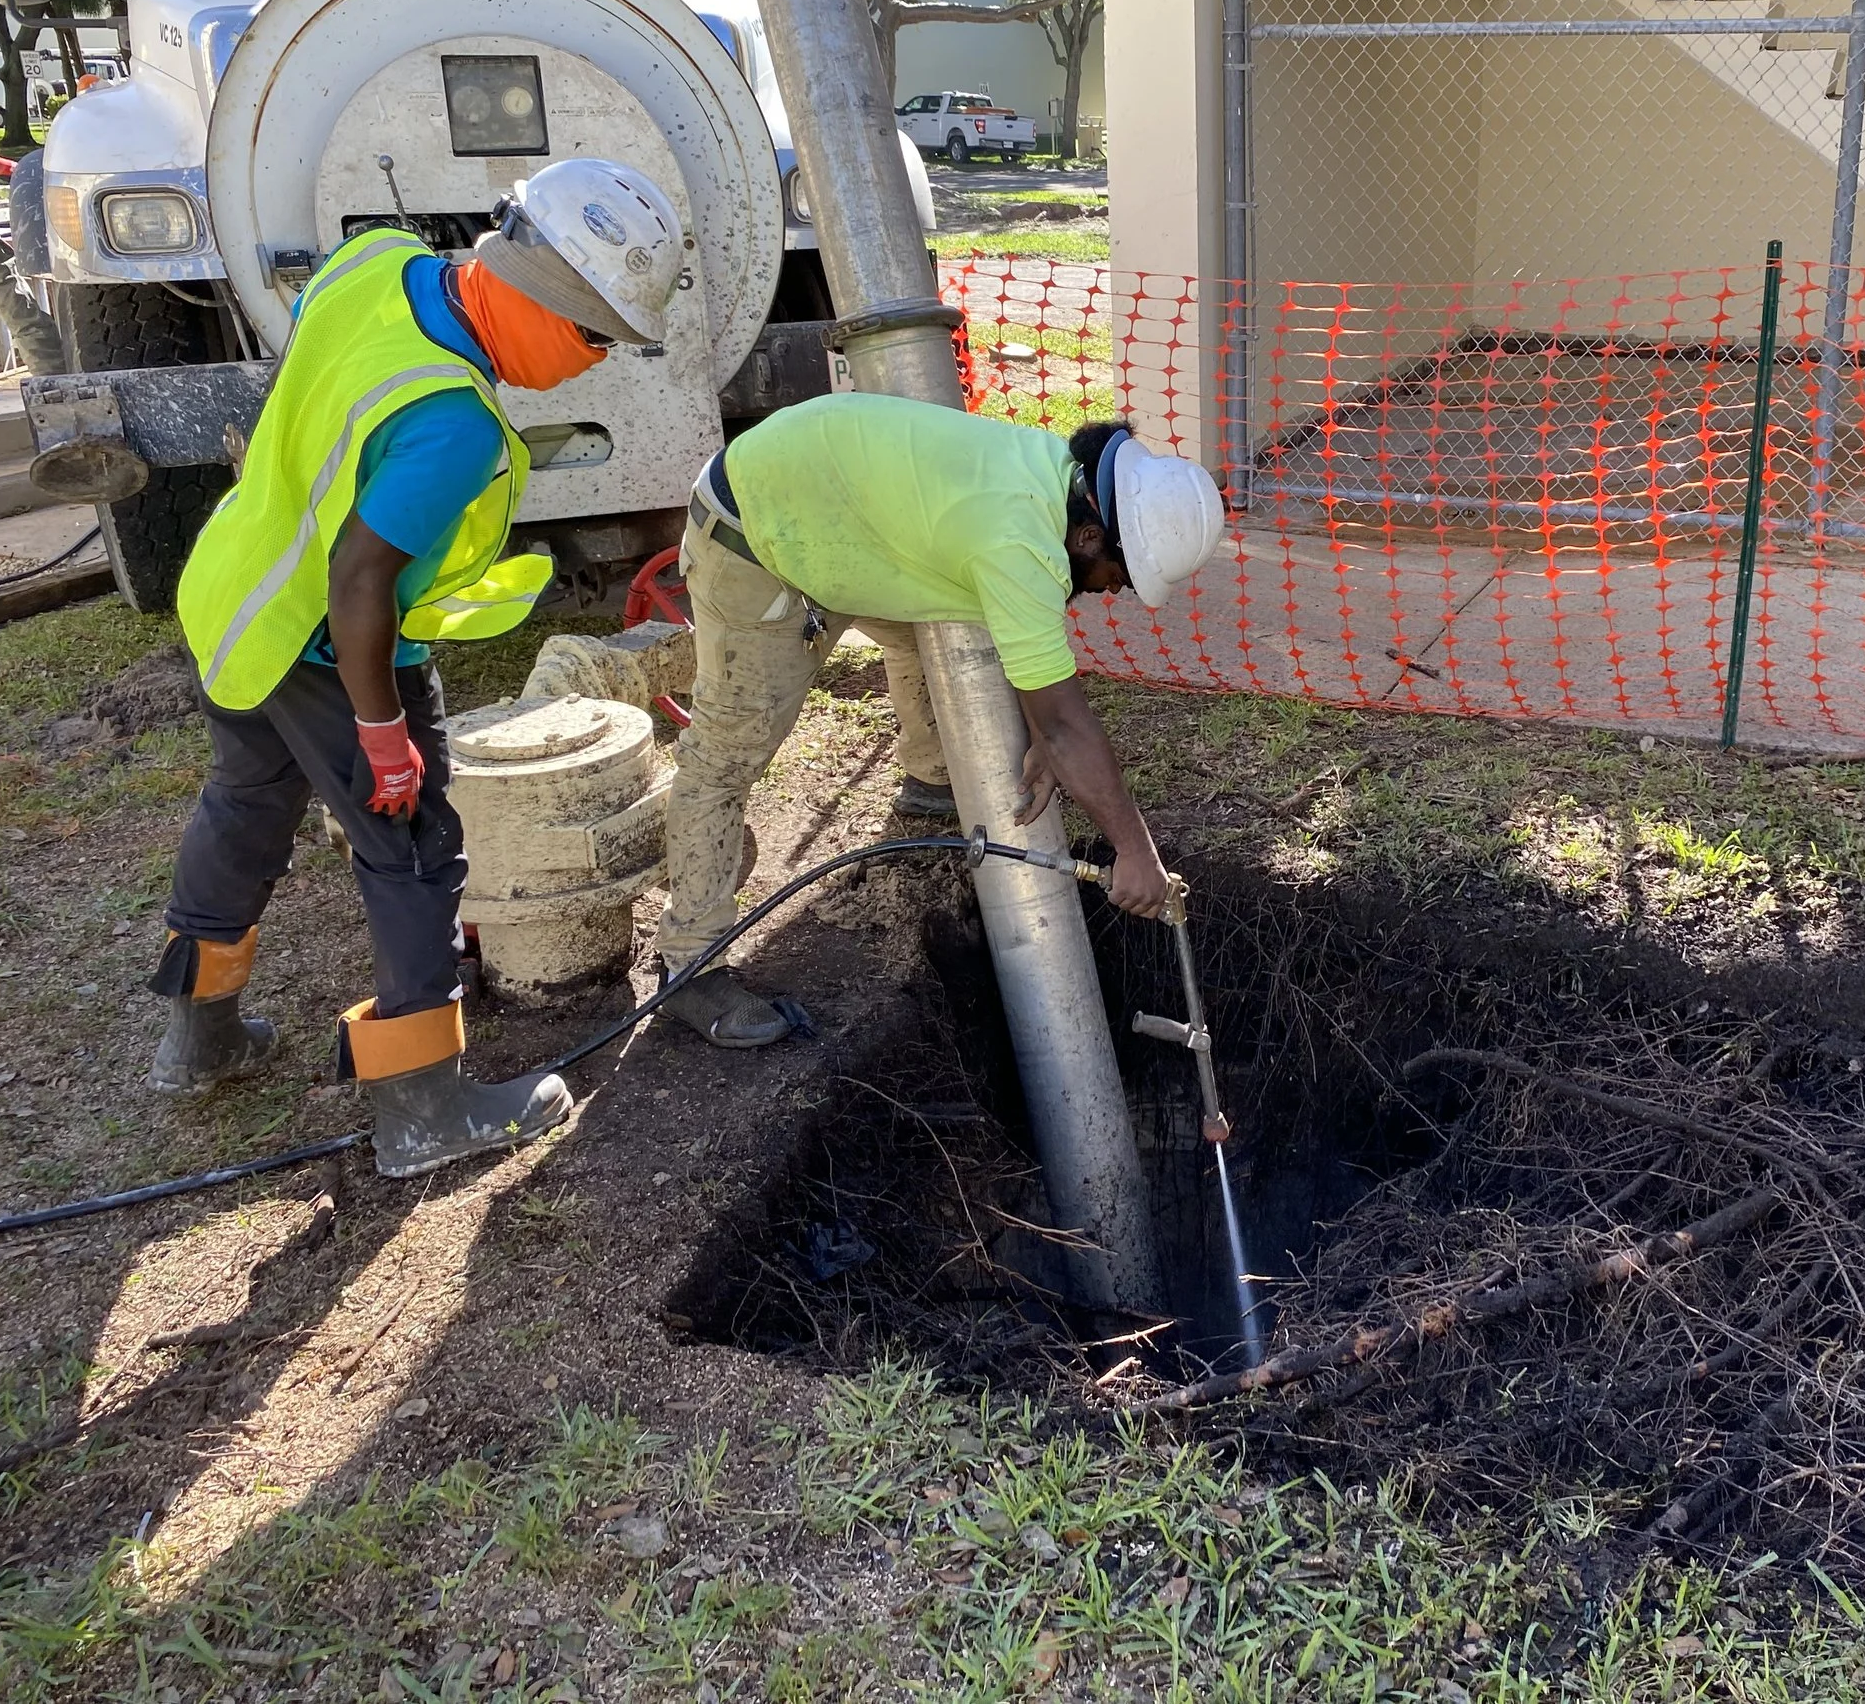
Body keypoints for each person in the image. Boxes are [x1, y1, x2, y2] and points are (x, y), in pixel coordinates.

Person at [151, 157, 688, 1177]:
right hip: (326, 640)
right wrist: (382, 730)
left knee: (245, 804)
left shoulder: (375, 263)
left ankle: (199, 1037)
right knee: (413, 850)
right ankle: (422, 1112)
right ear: (541, 297)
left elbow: (321, 382)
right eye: (595, 338)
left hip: (235, 593)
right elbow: (359, 581)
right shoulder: (451, 421)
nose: (595, 364)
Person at [654, 394, 1225, 1046]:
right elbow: (1068, 721)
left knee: (939, 636)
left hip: (838, 512)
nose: (1113, 589)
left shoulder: (1049, 474)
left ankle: (929, 790)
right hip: (756, 530)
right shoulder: (1017, 539)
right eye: (1118, 573)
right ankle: (689, 966)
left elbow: (1044, 694)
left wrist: (1041, 735)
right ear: (1090, 535)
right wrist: (1134, 851)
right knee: (725, 757)